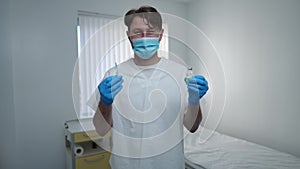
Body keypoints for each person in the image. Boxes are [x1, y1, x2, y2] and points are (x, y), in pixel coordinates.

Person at [91, 5, 209, 169]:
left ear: (160, 35)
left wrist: (194, 101)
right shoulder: (113, 76)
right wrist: (105, 101)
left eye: (151, 32)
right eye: (138, 32)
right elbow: (100, 129)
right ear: (129, 36)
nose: (144, 37)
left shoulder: (180, 74)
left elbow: (193, 127)